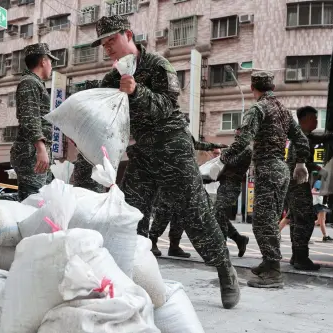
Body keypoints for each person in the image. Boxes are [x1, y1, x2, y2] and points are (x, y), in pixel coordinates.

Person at [92, 15, 240, 308]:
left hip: (173, 149)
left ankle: (225, 269)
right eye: (104, 44)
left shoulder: (158, 65)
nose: (108, 48)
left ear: (128, 35)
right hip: (142, 154)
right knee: (130, 216)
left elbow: (166, 105)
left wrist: (136, 90)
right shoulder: (111, 79)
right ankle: (135, 279)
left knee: (195, 213)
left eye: (112, 40)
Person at [220, 71, 310, 288]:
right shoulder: (284, 111)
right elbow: (301, 140)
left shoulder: (258, 108)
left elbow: (243, 140)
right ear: (272, 87)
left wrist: (223, 159)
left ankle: (273, 272)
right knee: (270, 219)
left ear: (253, 88)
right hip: (281, 170)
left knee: (262, 222)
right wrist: (300, 163)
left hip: (268, 170)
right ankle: (268, 262)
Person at [149, 138, 228, 258]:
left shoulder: (185, 134)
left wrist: (215, 145)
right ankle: (153, 242)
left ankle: (174, 246)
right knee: (163, 214)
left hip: (184, 183)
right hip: (169, 182)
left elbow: (197, 144)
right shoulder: (169, 135)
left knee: (180, 216)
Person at [285, 106, 333, 270]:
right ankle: (301, 258)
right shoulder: (301, 138)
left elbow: (322, 137)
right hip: (297, 184)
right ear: (306, 119)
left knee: (296, 220)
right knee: (306, 219)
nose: (316, 121)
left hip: (294, 183)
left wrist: (317, 168)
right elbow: (297, 161)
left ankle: (296, 256)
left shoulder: (304, 135)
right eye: (314, 118)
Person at [10, 43, 58, 201]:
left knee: (45, 200)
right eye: (51, 61)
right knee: (33, 204)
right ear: (43, 61)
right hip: (31, 153)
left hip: (35, 152)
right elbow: (29, 118)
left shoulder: (35, 83)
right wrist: (41, 149)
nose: (51, 66)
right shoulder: (30, 83)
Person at [214, 127, 251, 258]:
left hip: (232, 186)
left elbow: (231, 161)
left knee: (218, 214)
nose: (236, 138)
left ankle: (222, 248)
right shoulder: (236, 149)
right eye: (235, 135)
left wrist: (225, 155)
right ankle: (239, 239)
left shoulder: (247, 150)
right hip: (224, 184)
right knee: (219, 215)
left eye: (238, 135)